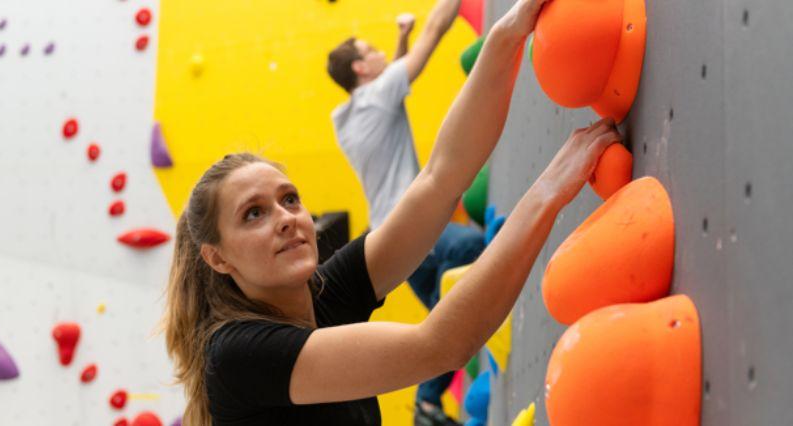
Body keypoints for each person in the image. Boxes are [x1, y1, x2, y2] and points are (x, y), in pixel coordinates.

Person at [162, 1, 622, 425]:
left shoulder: (322, 296)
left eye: (289, 199)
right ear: (217, 258)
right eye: (253, 215)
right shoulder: (237, 354)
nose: (285, 218)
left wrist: (509, 33)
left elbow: (441, 177)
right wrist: (548, 192)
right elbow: (440, 345)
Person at [326, 3, 484, 422]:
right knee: (471, 246)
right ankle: (426, 395)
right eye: (372, 50)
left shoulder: (347, 117)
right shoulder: (379, 95)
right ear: (361, 68)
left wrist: (398, 39)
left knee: (451, 316)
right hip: (414, 228)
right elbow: (432, 34)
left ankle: (428, 403)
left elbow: (388, 80)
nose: (382, 53)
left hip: (391, 242)